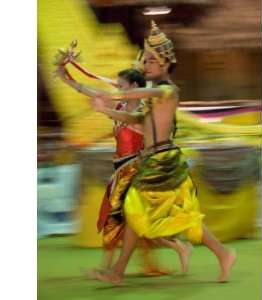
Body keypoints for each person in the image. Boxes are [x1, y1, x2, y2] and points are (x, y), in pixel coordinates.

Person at [88, 20, 237, 285]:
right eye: (145, 61)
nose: (146, 66)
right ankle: (118, 272)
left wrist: (111, 96)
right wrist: (105, 110)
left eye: (151, 61)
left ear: (166, 63)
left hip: (164, 162)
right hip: (153, 162)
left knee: (177, 217)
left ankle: (223, 254)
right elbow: (134, 119)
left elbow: (150, 91)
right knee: (136, 212)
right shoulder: (152, 97)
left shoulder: (168, 91)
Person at [55, 65, 192, 276]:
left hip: (136, 171)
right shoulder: (119, 108)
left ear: (134, 86)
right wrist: (66, 79)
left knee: (121, 218)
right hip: (120, 170)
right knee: (126, 221)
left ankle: (110, 268)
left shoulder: (143, 114)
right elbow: (91, 91)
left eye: (121, 86)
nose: (116, 89)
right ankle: (176, 249)